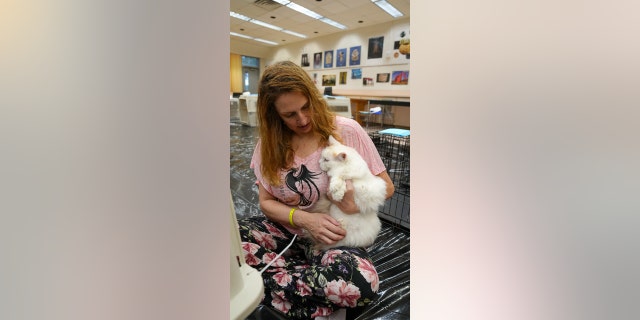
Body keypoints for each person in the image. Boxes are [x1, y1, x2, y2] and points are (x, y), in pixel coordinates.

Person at [237, 61, 394, 319]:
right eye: (290, 115)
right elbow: (266, 202)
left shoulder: (346, 131)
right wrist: (303, 218)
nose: (303, 119)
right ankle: (317, 298)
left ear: (313, 96)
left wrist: (355, 204)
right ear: (274, 115)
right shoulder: (268, 145)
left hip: (334, 239)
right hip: (286, 232)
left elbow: (387, 186)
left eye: (306, 107)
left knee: (361, 282)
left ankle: (261, 286)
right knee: (225, 243)